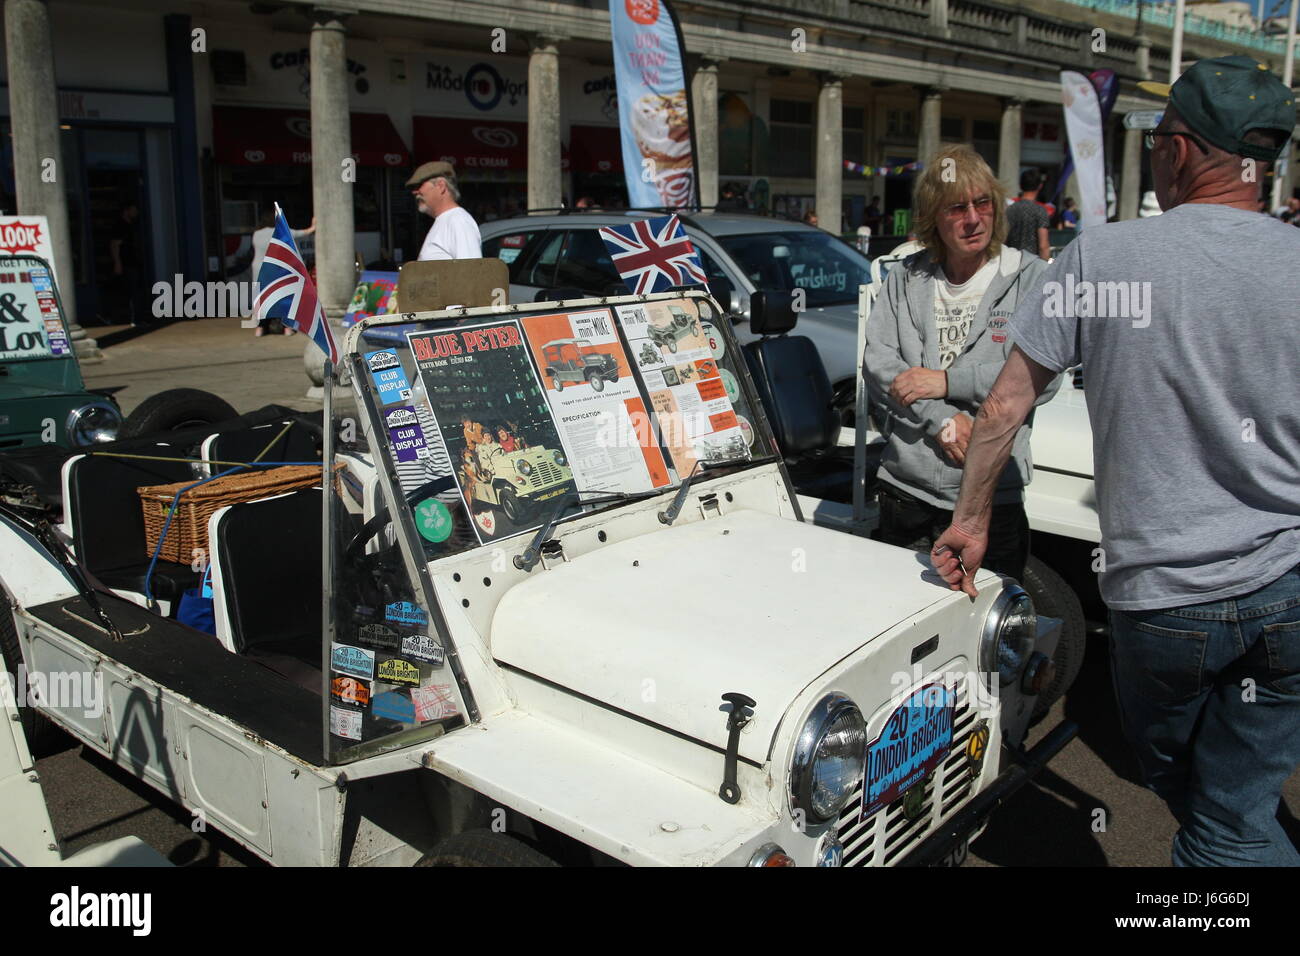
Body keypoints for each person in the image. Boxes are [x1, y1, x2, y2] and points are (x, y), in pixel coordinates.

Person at [928, 55, 1300, 867]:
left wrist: (969, 523)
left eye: (1162, 138)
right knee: (1232, 804)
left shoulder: (1102, 261)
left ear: (1180, 151)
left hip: (1166, 599)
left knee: (1213, 818)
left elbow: (1002, 408)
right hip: (1289, 589)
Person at [864, 144, 1060, 585]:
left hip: (994, 494)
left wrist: (949, 381)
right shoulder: (907, 277)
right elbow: (878, 365)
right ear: (934, 216)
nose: (973, 218)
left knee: (990, 631)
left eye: (983, 203)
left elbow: (1043, 380)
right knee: (901, 625)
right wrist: (940, 420)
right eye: (957, 207)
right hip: (906, 490)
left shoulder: (1030, 278)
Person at [250, 208, 315, 336]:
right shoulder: (279, 231)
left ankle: (260, 328)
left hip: (258, 270)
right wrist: (313, 225)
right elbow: (303, 233)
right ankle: (287, 328)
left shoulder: (256, 234)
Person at [407, 161, 481, 261]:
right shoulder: (447, 219)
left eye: (419, 185)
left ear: (441, 186)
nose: (415, 192)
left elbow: (471, 271)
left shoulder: (458, 220)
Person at [108, 203, 145, 325]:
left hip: (133, 262)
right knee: (131, 292)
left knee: (134, 291)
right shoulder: (121, 226)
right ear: (126, 210)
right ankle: (133, 320)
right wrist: (117, 263)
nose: (136, 213)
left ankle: (135, 319)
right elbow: (114, 244)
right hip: (127, 264)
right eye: (133, 210)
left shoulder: (131, 226)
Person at [1004, 168, 1052, 260]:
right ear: (1040, 186)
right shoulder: (1040, 211)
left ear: (1020, 185)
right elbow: (1043, 246)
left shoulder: (1009, 210)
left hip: (1012, 262)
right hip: (1032, 264)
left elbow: (1003, 239)